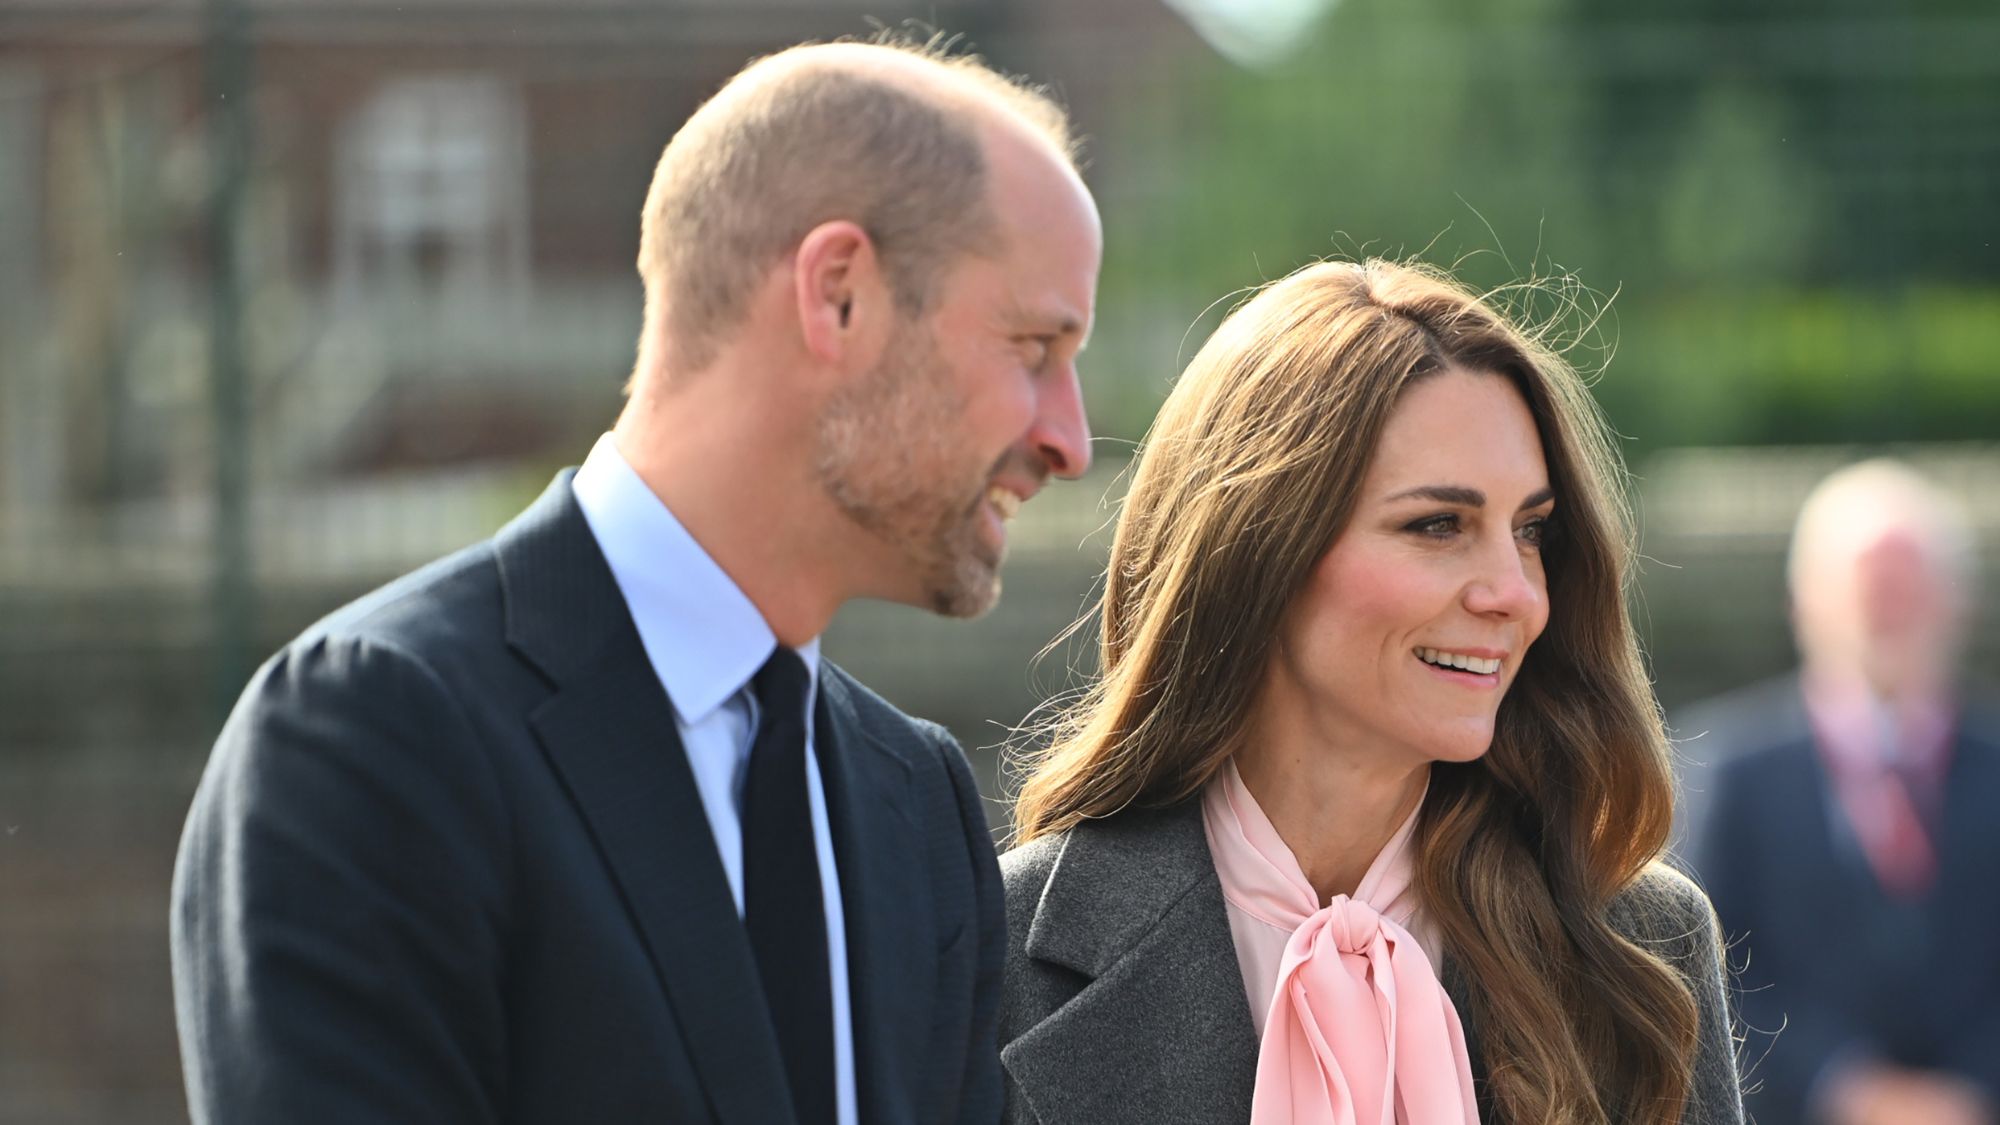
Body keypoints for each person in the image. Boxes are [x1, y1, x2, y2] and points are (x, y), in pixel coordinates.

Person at [170, 37, 1100, 1125]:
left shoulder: (915, 806)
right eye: (1032, 347)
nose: (1071, 440)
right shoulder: (379, 734)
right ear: (838, 295)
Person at [999, 260, 1743, 1125]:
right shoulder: (992, 947)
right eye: (1438, 525)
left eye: (1531, 530)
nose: (1515, 593)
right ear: (1258, 551)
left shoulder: (1642, 944)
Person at [1685, 460, 1998, 1125]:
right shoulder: (1724, 771)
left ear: (1959, 601)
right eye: (1866, 586)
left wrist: (1968, 1095)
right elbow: (1702, 968)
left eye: (1908, 586)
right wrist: (1846, 1087)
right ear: (1802, 603)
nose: (1887, 609)